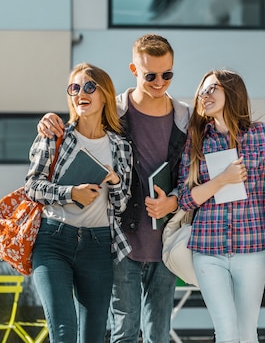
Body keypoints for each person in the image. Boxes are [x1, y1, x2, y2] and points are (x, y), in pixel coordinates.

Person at [37, 34, 191, 343]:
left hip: (167, 239)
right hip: (121, 240)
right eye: (151, 75)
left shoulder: (185, 117)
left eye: (167, 74)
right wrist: (49, 120)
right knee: (122, 332)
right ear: (134, 70)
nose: (160, 82)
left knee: (157, 334)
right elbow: (80, 125)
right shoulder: (114, 112)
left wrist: (173, 201)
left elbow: (192, 171)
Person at [25, 62, 133, 343]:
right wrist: (72, 193)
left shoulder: (120, 146)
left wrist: (114, 180)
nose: (80, 93)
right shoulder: (55, 135)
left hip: (98, 246)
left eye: (88, 86)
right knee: (63, 331)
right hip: (53, 241)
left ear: (105, 94)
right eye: (74, 88)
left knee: (93, 336)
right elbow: (32, 187)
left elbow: (121, 205)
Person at [176, 69, 265, 343]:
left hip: (252, 249)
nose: (205, 95)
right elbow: (185, 199)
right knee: (226, 331)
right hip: (207, 250)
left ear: (232, 92)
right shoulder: (197, 141)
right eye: (203, 91)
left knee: (247, 333)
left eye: (213, 89)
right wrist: (222, 180)